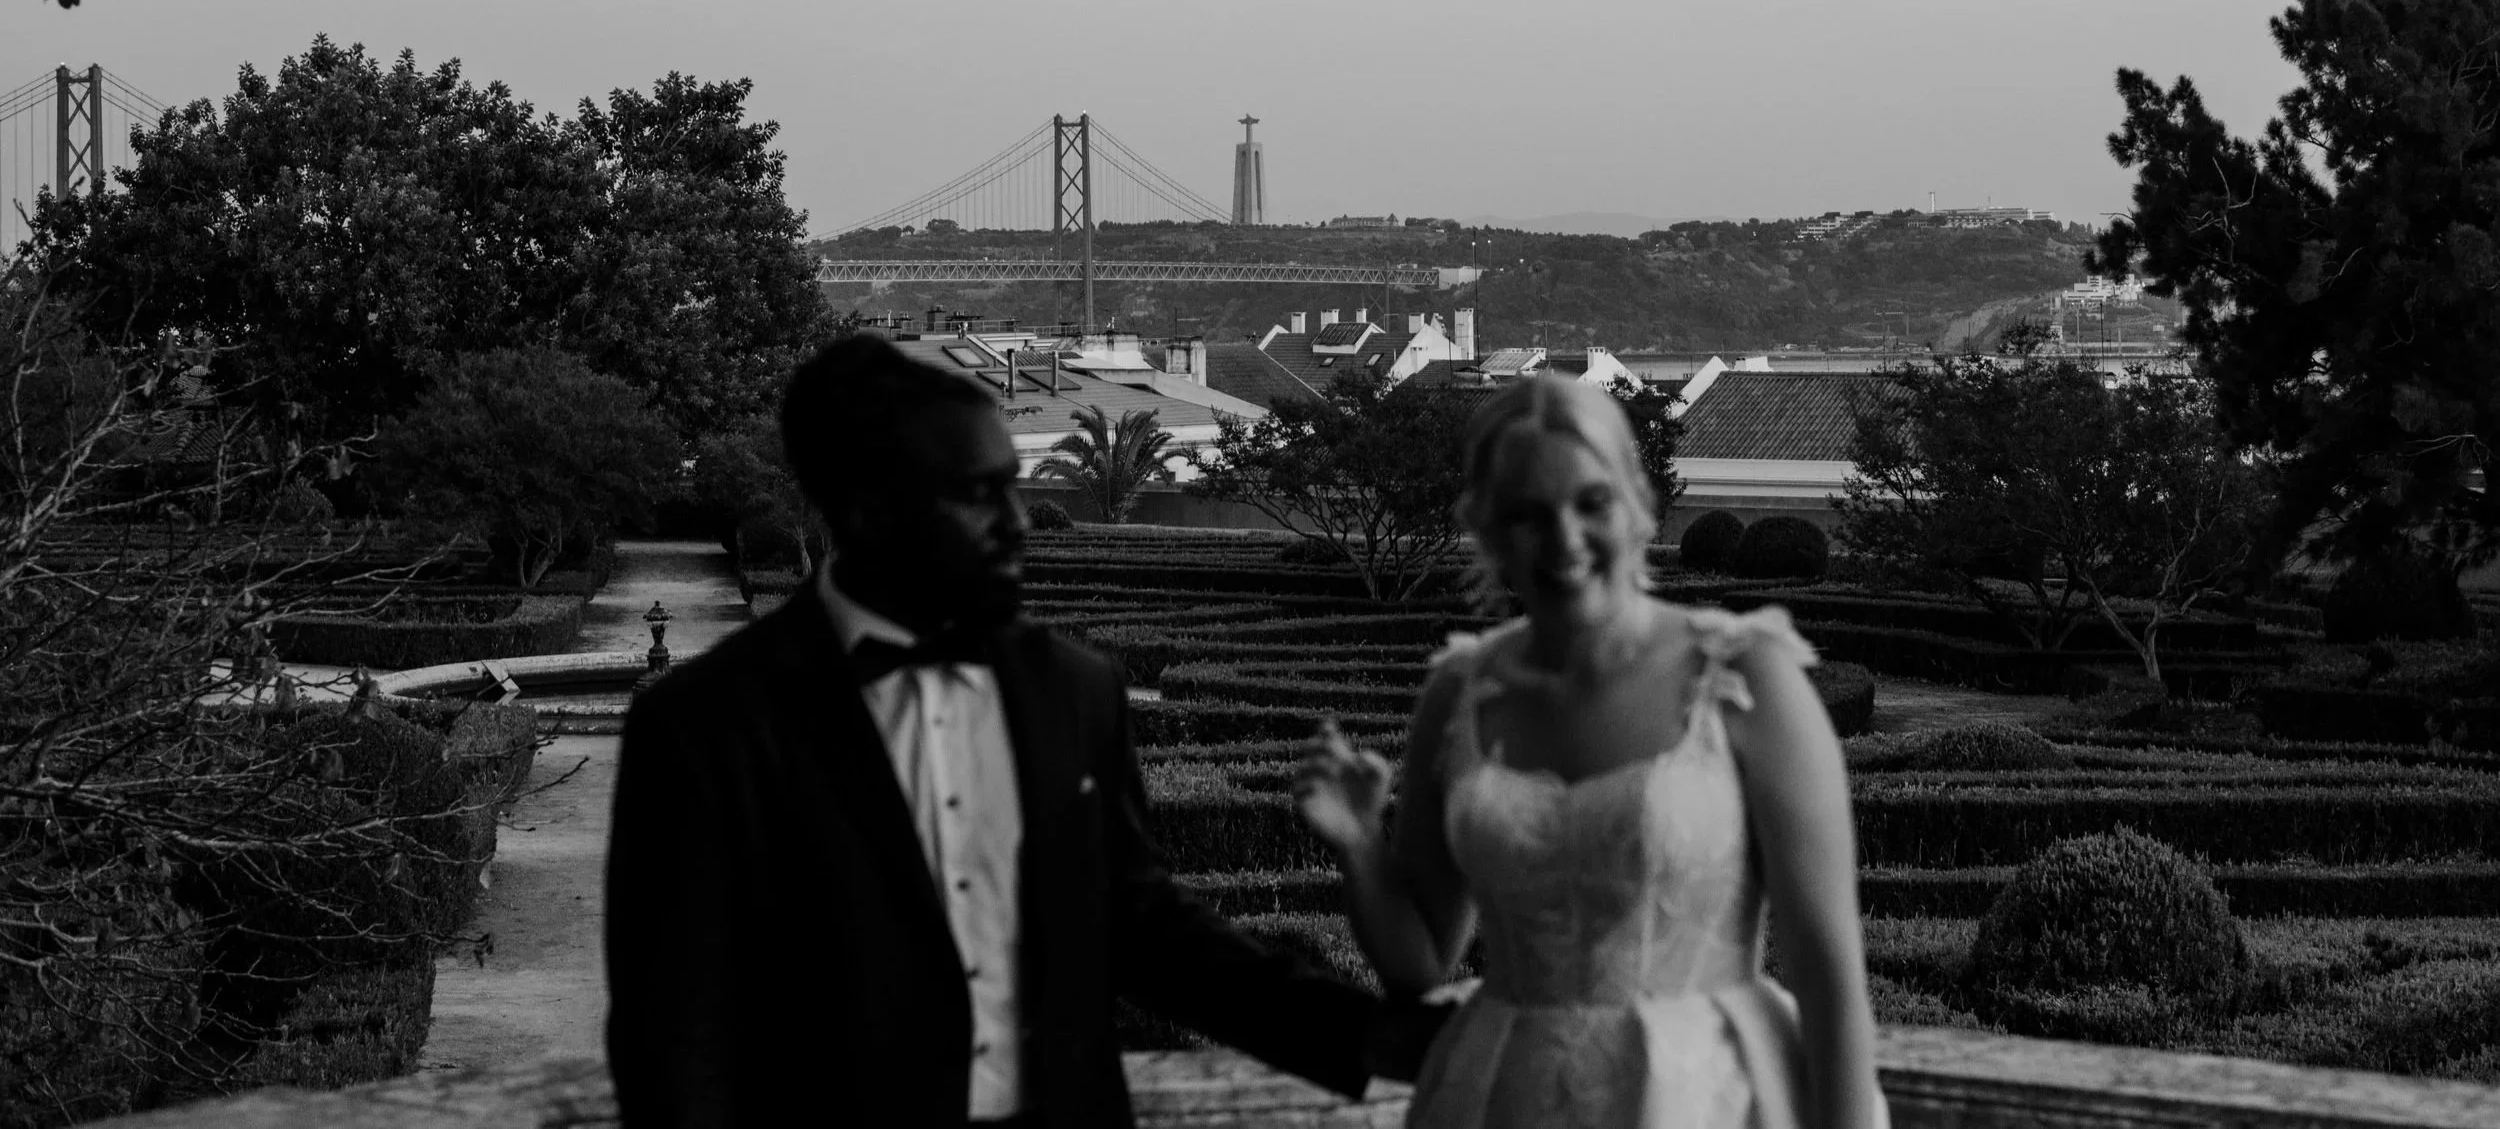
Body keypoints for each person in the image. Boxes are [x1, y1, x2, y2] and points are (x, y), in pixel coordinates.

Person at [606, 334, 1427, 1128]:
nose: (1019, 522)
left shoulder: (1075, 691)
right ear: (868, 510)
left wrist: (1375, 1037)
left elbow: (1151, 933)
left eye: (1013, 484)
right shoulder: (705, 725)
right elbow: (675, 1034)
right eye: (976, 493)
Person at [1295, 373, 1888, 1129]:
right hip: (1501, 1093)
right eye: (1529, 515)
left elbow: (1830, 978)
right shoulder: (1460, 693)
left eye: (1590, 503)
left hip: (1706, 1098)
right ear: (1489, 529)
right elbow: (1420, 965)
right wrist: (1359, 848)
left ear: (1637, 504)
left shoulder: (1744, 680)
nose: (1565, 541)